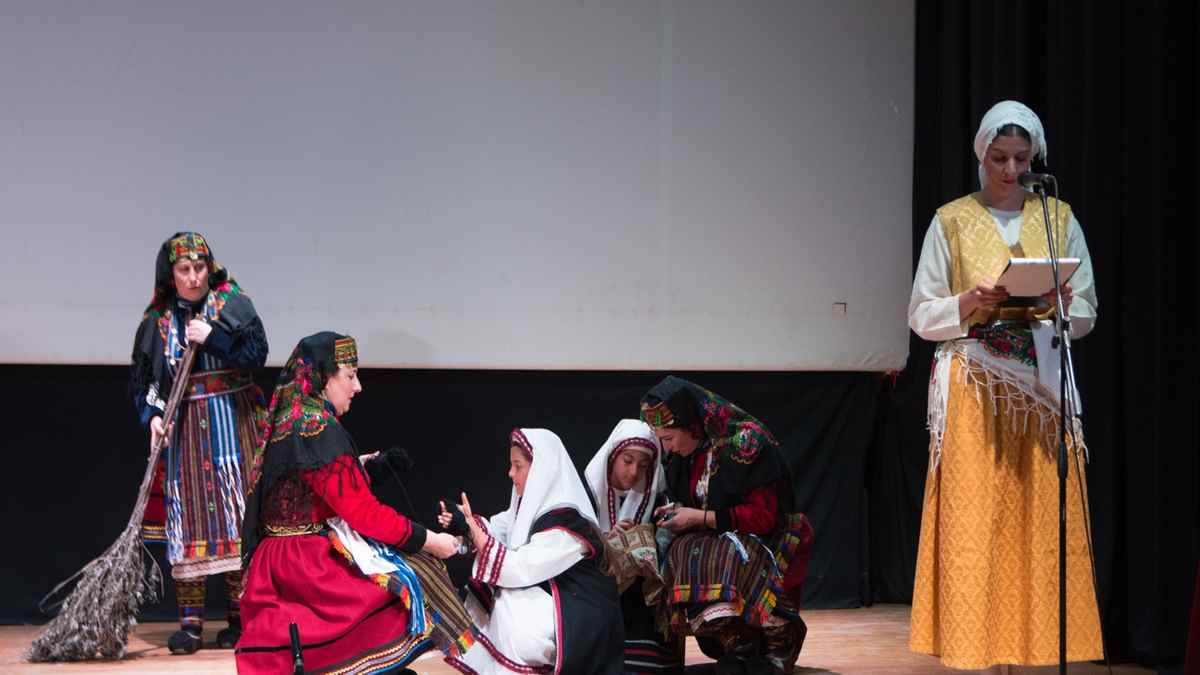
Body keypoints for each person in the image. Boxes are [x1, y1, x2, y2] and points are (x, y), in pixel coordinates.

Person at [907, 100, 1103, 668]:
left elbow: (1087, 308)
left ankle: (1034, 649)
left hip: (1041, 382)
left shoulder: (1057, 217)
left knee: (1036, 518)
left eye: (1021, 158)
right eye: (1000, 158)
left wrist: (1063, 304)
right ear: (982, 156)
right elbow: (921, 314)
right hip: (975, 383)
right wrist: (967, 302)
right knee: (978, 519)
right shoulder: (951, 220)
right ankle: (976, 652)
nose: (1011, 170)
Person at [235, 332, 469, 674]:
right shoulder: (318, 428)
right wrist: (433, 542)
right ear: (323, 376)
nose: (357, 386)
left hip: (276, 563)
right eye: (350, 375)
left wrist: (369, 467)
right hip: (305, 568)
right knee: (414, 574)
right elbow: (365, 514)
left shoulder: (291, 418)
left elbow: (308, 485)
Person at [129, 231, 268, 654]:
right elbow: (145, 378)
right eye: (184, 270)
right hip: (185, 433)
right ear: (172, 274)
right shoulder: (158, 320)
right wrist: (153, 416)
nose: (192, 277)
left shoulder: (233, 304)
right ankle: (189, 625)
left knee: (234, 520)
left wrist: (215, 338)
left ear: (210, 268)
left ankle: (238, 619)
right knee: (188, 522)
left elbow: (257, 354)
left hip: (232, 426)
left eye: (199, 268)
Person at [640, 376, 813, 675]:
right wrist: (679, 511)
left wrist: (698, 517)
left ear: (690, 424)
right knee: (682, 552)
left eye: (668, 438)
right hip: (717, 537)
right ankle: (738, 643)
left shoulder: (744, 442)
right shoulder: (686, 454)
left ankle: (780, 636)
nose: (667, 448)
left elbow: (763, 518)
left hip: (764, 537)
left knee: (719, 558)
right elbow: (696, 501)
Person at [438, 428, 624, 674]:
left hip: (580, 615)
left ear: (541, 471)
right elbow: (498, 531)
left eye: (518, 466)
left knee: (512, 608)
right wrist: (466, 523)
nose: (510, 473)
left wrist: (473, 530)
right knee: (503, 601)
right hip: (556, 598)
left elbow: (520, 567)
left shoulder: (568, 522)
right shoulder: (528, 505)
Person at [582, 419, 682, 673]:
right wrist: (605, 540)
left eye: (644, 465)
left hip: (640, 599)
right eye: (627, 461)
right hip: (595, 591)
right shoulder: (584, 494)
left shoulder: (659, 499)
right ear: (613, 456)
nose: (635, 471)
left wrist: (647, 538)